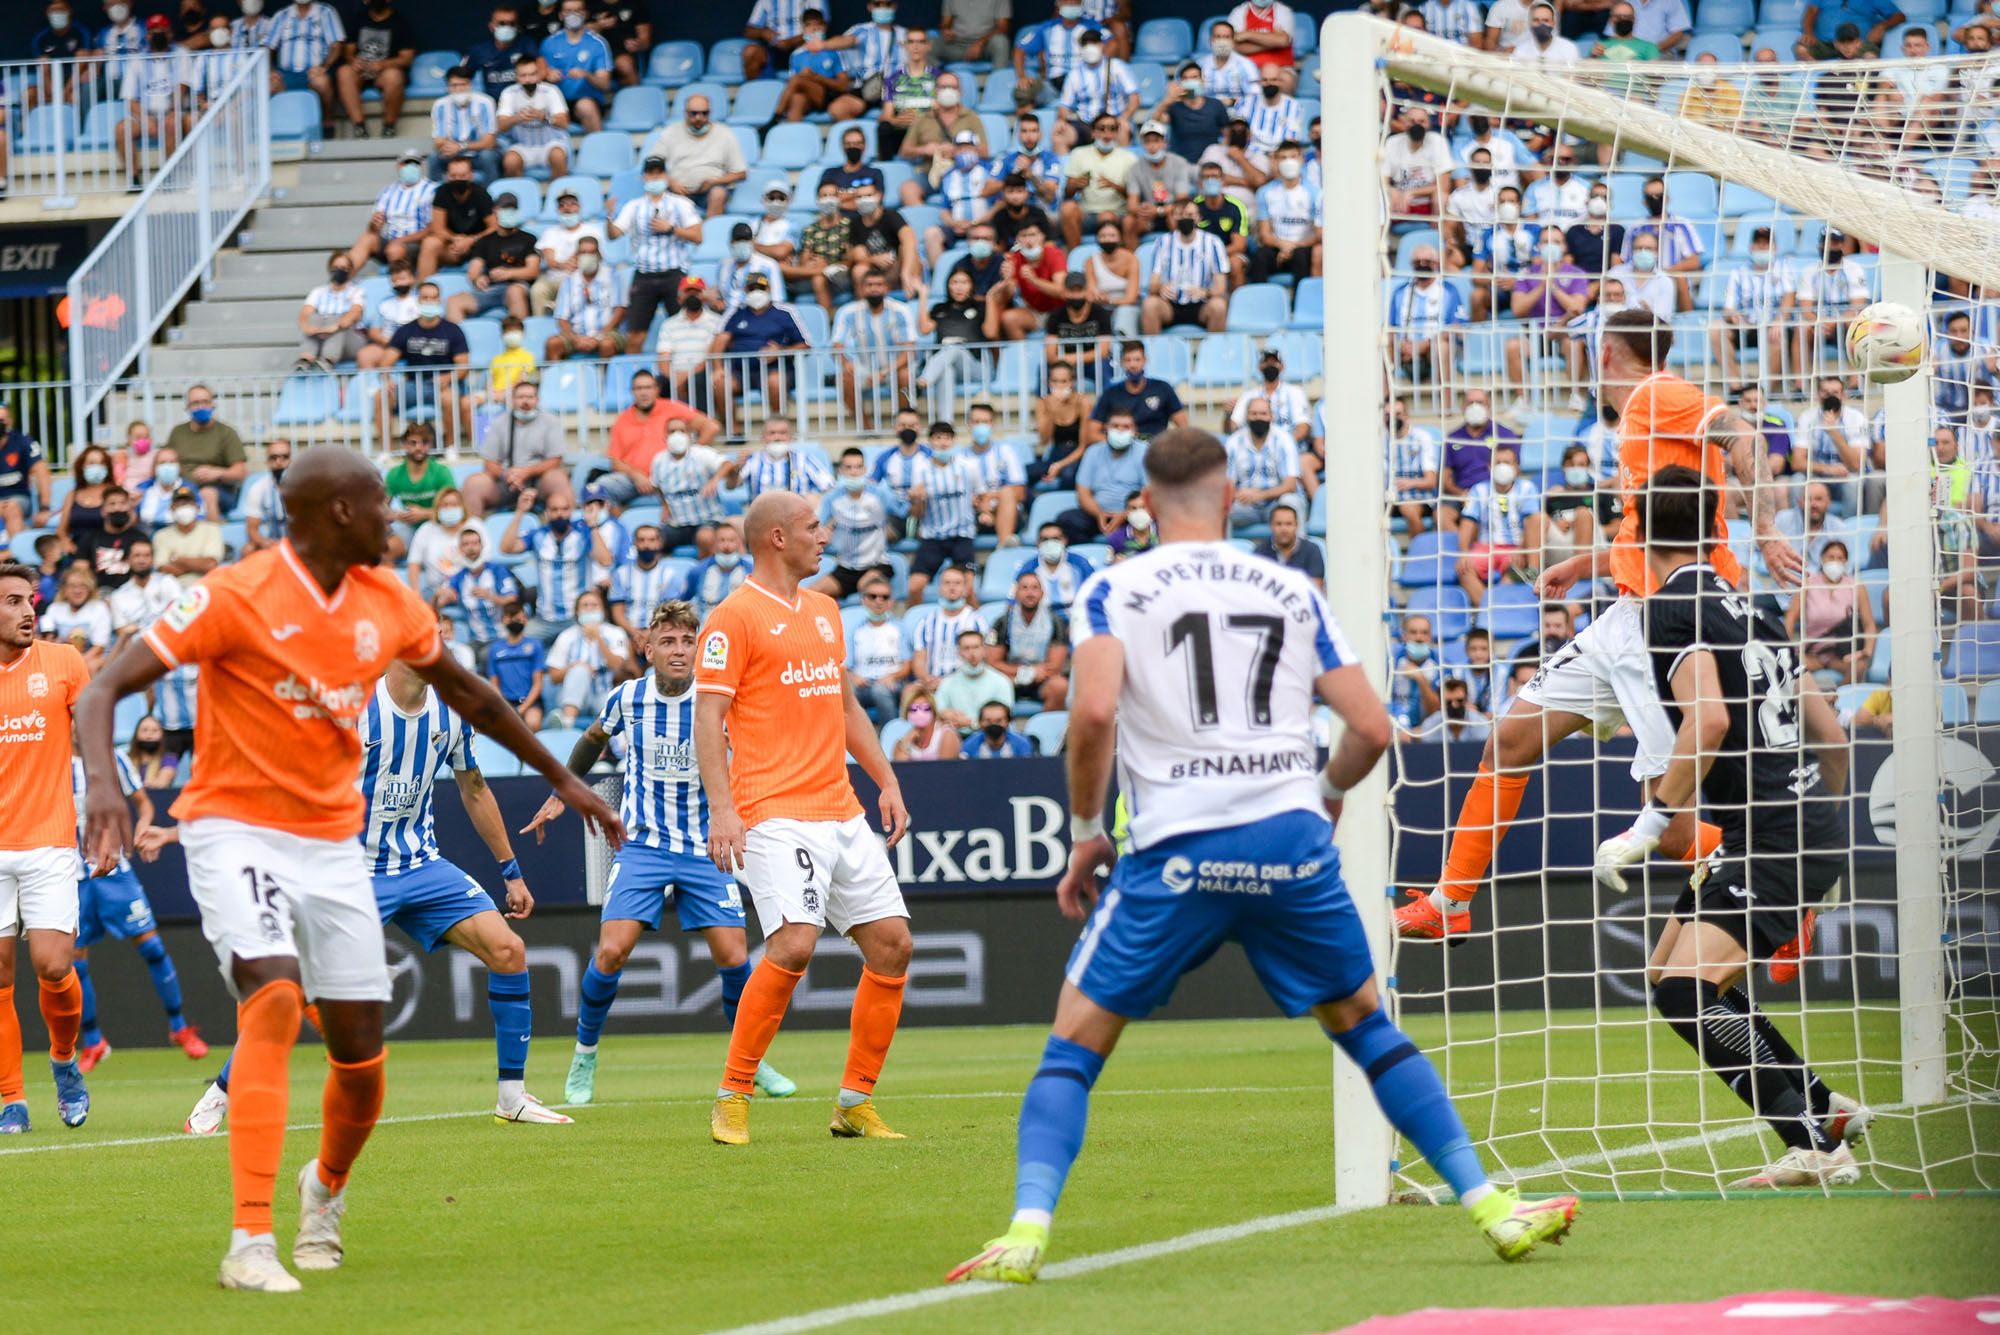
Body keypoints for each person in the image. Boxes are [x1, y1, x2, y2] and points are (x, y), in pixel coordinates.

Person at [945, 427, 1578, 1285]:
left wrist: (1089, 827)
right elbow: (1372, 728)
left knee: (1074, 1048)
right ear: (1233, 495)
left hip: (1177, 845)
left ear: (1145, 503)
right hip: (1289, 840)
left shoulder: (1112, 588)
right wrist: (1324, 796)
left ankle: (1026, 1231)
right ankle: (1491, 1205)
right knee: (1367, 1027)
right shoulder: (1291, 587)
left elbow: (1091, 713)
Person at [75, 446, 621, 1289]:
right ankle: (249, 1240)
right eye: (378, 504)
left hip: (334, 845)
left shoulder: (388, 600)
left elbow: (473, 696)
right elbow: (101, 689)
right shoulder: (233, 592)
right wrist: (106, 785)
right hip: (236, 831)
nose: (392, 518)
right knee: (273, 995)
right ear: (337, 511)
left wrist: (562, 776)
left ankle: (323, 1188)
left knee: (362, 1061)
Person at [1397, 310, 1801, 943]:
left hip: (1673, 622)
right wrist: (1585, 562)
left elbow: (1744, 436)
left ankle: (1783, 883)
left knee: (1673, 835)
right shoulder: (1635, 416)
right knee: (1509, 740)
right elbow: (1643, 532)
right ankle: (1451, 900)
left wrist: (1768, 527)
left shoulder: (1659, 394)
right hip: (1624, 616)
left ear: (1605, 352)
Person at [1596, 467, 1870, 1190]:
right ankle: (1824, 1108)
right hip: (1790, 826)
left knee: (1687, 994)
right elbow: (1833, 740)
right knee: (1665, 974)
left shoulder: (1669, 607)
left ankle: (1814, 1146)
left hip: (1773, 837)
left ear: (1636, 528)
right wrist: (1826, 834)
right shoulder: (1753, 604)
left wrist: (1650, 823)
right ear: (1712, 527)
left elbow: (1709, 721)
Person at [181, 657, 568, 1133]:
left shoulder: (452, 713)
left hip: (421, 865)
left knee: (509, 950)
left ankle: (512, 1098)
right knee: (291, 989)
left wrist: (511, 872)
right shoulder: (353, 708)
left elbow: (474, 789)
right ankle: (220, 1094)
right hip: (350, 873)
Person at [693, 489, 912, 1145]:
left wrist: (886, 778)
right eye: (815, 527)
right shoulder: (732, 617)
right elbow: (707, 717)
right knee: (793, 942)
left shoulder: (824, 610)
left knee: (893, 944)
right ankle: (733, 1095)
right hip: (772, 808)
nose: (826, 537)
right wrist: (722, 809)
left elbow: (845, 705)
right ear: (778, 537)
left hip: (839, 806)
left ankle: (854, 1102)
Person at [536, 601, 800, 1109]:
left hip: (705, 846)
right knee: (611, 952)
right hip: (643, 845)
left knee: (735, 958)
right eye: (668, 642)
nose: (679, 651)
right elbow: (592, 738)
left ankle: (752, 1060)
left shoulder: (717, 700)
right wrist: (560, 792)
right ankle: (584, 1056)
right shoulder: (628, 698)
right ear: (648, 649)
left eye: (687, 641)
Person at [0, 562, 93, 1135]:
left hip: (49, 838)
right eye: (12, 601)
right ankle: (11, 1097)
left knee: (54, 965)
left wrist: (106, 810)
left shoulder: (63, 662)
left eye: (29, 600)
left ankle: (63, 1060)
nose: (27, 610)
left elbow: (95, 735)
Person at [612, 155, 702, 340]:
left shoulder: (681, 204)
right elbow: (614, 234)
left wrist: (671, 229)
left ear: (666, 175)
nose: (655, 177)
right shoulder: (634, 206)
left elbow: (697, 236)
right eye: (650, 173)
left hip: (674, 272)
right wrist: (608, 217)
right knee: (635, 334)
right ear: (643, 177)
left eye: (659, 172)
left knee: (683, 330)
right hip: (644, 274)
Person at [711, 274, 809, 434]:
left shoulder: (785, 312)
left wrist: (780, 351)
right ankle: (733, 431)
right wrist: (717, 368)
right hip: (740, 371)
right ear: (745, 290)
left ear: (769, 289)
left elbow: (805, 345)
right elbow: (720, 340)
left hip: (775, 368)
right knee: (720, 383)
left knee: (775, 382)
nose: (756, 292)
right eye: (752, 288)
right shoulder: (735, 312)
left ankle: (777, 429)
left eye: (761, 288)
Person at [1455, 443, 1543, 607]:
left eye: (1507, 462)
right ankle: (1489, 610)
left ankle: (1492, 609)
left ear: (1516, 467)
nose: (1502, 467)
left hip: (1515, 548)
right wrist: (1464, 553)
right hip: (1485, 547)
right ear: (1489, 467)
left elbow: (1532, 523)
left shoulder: (1527, 488)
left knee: (1516, 569)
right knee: (1464, 569)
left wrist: (1522, 550)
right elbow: (1467, 522)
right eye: (1498, 462)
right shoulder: (1478, 490)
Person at [467, 380, 570, 517]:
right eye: (521, 397)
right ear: (512, 400)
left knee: (558, 478)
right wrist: (506, 474)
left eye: (530, 397)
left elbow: (555, 460)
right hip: (506, 482)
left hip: (539, 481)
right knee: (474, 483)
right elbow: (489, 462)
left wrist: (527, 472)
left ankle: (569, 527)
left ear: (537, 400)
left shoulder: (551, 422)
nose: (525, 401)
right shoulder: (499, 422)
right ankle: (472, 529)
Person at [1714, 226, 1797, 393]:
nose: (1762, 247)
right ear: (1751, 247)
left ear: (1775, 248)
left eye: (1766, 244)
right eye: (1758, 244)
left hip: (1772, 326)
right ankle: (1735, 387)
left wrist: (1779, 320)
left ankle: (1765, 391)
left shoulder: (1784, 268)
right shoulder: (1738, 273)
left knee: (1777, 335)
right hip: (1746, 327)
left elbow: (1790, 296)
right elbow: (1728, 308)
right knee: (1715, 328)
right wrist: (1733, 316)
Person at [502, 487, 592, 634]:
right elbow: (507, 548)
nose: (560, 514)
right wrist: (520, 512)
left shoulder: (583, 534)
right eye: (554, 509)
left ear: (571, 511)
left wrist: (593, 526)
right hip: (544, 620)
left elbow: (605, 560)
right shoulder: (537, 535)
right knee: (522, 642)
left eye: (564, 509)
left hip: (576, 618)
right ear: (546, 513)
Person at [1785, 539, 1877, 683]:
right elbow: (1790, 618)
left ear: (1846, 562)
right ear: (1822, 559)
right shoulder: (1808, 584)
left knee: (1860, 666)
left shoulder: (1856, 586)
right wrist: (1786, 646)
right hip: (1811, 653)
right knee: (1789, 663)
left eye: (1840, 558)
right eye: (1831, 557)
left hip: (1842, 654)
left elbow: (1869, 623)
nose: (1835, 562)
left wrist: (1867, 651)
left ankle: (1839, 696)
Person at [647, 91, 746, 219]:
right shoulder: (670, 132)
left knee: (718, 193)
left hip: (709, 193)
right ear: (685, 113)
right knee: (656, 190)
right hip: (676, 191)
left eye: (704, 113)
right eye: (694, 113)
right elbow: (652, 164)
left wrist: (713, 181)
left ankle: (710, 230)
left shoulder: (725, 134)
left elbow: (741, 173)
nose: (699, 117)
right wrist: (670, 182)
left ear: (710, 113)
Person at [545, 588, 635, 725]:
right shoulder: (566, 636)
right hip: (570, 696)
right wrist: (575, 667)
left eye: (594, 605)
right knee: (580, 670)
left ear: (603, 610)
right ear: (577, 611)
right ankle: (567, 722)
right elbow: (553, 676)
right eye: (585, 605)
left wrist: (598, 638)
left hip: (603, 693)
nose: (590, 609)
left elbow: (617, 665)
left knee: (614, 707)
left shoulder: (615, 633)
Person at [1058, 409, 1147, 544]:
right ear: (1106, 429)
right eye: (1115, 426)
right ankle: (1091, 553)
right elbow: (1083, 492)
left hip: (1132, 514)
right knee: (1067, 520)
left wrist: (1124, 515)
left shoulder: (1145, 452)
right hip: (1097, 514)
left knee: (1148, 519)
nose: (1120, 431)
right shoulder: (1093, 452)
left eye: (1126, 427)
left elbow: (1149, 492)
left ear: (1135, 431)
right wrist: (1099, 514)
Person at [1142, 202, 1228, 334]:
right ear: (1173, 218)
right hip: (1170, 305)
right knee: (1150, 304)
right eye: (1180, 214)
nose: (1185, 218)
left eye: (1190, 215)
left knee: (1219, 306)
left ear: (1199, 218)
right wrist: (1161, 288)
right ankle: (1152, 347)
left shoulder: (1213, 242)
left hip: (1201, 305)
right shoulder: (1162, 242)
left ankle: (1214, 347)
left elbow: (1220, 288)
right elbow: (1152, 285)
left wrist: (1205, 292)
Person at [335, 0, 415, 138]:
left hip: (385, 71)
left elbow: (407, 58)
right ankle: (359, 127)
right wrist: (353, 60)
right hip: (361, 70)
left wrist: (382, 64)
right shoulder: (359, 19)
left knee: (393, 77)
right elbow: (348, 51)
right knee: (344, 72)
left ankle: (389, 127)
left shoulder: (400, 22)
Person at [166, 384, 247, 517]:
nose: (201, 407)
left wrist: (217, 473)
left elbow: (240, 472)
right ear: (187, 407)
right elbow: (165, 459)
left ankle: (212, 530)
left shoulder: (226, 433)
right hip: (183, 488)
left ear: (213, 405)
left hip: (219, 492)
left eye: (205, 402)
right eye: (195, 403)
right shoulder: (177, 432)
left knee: (207, 494)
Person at [1060, 113, 1137, 249]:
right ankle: (1074, 256)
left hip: (1117, 214)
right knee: (1067, 209)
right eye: (1102, 128)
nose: (1107, 133)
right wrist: (1076, 185)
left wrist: (1115, 186)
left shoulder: (1129, 158)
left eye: (1112, 128)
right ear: (1093, 133)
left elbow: (1134, 197)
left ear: (1117, 132)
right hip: (1087, 214)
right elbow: (1068, 193)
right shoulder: (1079, 153)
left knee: (1107, 216)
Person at [416, 155, 496, 280]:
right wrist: (456, 239)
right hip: (452, 245)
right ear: (447, 176)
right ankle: (424, 288)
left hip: (478, 246)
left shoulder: (481, 194)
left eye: (463, 175)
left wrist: (471, 240)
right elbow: (438, 228)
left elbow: (494, 228)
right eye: (453, 176)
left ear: (471, 176)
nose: (458, 179)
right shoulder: (442, 192)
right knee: (430, 243)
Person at [907, 564, 985, 691]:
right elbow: (919, 659)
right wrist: (927, 679)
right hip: (932, 684)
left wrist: (950, 683)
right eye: (947, 583)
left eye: (957, 583)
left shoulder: (977, 621)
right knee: (909, 691)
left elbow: (983, 658)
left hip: (966, 684)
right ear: (939, 588)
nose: (952, 587)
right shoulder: (927, 621)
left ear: (965, 589)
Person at [1091, 341, 1187, 443]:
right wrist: (1118, 443)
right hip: (1122, 449)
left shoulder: (1163, 388)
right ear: (1122, 362)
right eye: (1128, 360)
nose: (1133, 365)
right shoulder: (1110, 392)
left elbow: (1184, 427)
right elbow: (1092, 433)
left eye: (1137, 360)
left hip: (1156, 447)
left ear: (1145, 360)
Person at [496, 51, 572, 180]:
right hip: (522, 145)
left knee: (558, 156)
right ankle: (519, 192)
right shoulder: (508, 93)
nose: (528, 79)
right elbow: (501, 126)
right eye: (523, 75)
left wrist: (544, 117)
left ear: (538, 74)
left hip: (550, 144)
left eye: (532, 74)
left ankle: (557, 191)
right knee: (510, 161)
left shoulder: (550, 91)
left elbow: (564, 122)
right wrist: (518, 117)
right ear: (517, 77)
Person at [264, 0, 343, 123]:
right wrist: (271, 71)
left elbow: (336, 46)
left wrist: (323, 67)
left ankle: (327, 123)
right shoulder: (281, 15)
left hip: (313, 72)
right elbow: (267, 48)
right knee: (269, 85)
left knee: (322, 83)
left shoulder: (326, 12)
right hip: (286, 74)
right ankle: (277, 127)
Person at [846, 576, 912, 724]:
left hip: (892, 684)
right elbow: (846, 667)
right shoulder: (855, 631)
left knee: (880, 691)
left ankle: (889, 734)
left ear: (891, 601)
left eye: (884, 597)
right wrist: (854, 678)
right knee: (846, 692)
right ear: (863, 600)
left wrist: (893, 676)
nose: (879, 601)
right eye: (873, 596)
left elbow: (907, 666)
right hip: (863, 685)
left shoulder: (899, 628)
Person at [539, 0, 613, 132]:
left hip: (588, 100)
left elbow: (605, 84)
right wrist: (548, 76)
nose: (573, 15)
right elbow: (538, 77)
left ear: (585, 13)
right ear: (561, 15)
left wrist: (587, 75)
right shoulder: (549, 42)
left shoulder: (598, 43)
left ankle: (598, 144)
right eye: (568, 11)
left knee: (585, 105)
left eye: (578, 10)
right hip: (557, 101)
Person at [295, 250, 369, 371]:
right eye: (336, 267)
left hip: (350, 341)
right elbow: (305, 314)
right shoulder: (318, 292)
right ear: (329, 269)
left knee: (338, 320)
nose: (339, 271)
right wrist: (308, 327)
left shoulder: (357, 292)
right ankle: (306, 359)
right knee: (314, 318)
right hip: (323, 337)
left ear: (350, 270)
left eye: (344, 268)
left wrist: (334, 327)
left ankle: (328, 360)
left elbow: (354, 314)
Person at [430, 66, 500, 182]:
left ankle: (491, 192)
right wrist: (450, 148)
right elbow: (438, 141)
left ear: (470, 85)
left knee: (488, 156)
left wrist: (461, 147)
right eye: (454, 85)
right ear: (448, 87)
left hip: (478, 154)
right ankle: (437, 192)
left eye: (463, 84)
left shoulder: (486, 102)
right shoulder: (440, 105)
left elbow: (490, 142)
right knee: (434, 157)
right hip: (452, 155)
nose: (458, 89)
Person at [936, 626, 1012, 732]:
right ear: (958, 652)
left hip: (990, 737)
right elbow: (939, 715)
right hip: (956, 737)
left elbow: (1003, 722)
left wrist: (970, 723)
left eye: (976, 647)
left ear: (984, 650)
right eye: (966, 648)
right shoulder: (946, 683)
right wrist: (946, 716)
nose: (972, 653)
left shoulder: (1002, 682)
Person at [40, 566, 114, 672]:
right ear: (64, 589)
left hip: (90, 659)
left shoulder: (98, 608)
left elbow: (99, 648)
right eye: (72, 586)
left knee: (91, 665)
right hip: (60, 658)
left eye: (82, 586)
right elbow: (48, 642)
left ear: (89, 589)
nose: (77, 590)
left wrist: (76, 665)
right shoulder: (54, 608)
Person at [487, 601, 548, 729]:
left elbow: (538, 683)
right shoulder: (494, 649)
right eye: (512, 617)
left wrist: (523, 708)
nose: (516, 621)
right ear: (503, 620)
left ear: (526, 620)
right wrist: (505, 706)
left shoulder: (535, 645)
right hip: (505, 703)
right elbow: (494, 684)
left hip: (530, 702)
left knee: (533, 723)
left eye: (519, 618)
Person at [0, 405, 53, 537]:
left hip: (19, 498)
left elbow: (42, 472)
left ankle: (15, 549)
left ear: (9, 421)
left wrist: (44, 508)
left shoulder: (23, 441)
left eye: (2, 420)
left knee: (11, 507)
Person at [683, 521, 752, 621]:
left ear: (739, 543)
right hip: (706, 626)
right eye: (721, 540)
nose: (726, 546)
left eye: (731, 540)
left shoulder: (751, 572)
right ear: (714, 543)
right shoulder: (698, 571)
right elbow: (683, 601)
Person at [152, 488, 225, 580]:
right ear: (171, 509)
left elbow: (210, 565)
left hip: (204, 585)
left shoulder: (212, 529)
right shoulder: (161, 535)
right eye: (179, 504)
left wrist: (177, 559)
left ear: (197, 508)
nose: (184, 507)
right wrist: (198, 565)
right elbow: (163, 568)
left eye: (188, 504)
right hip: (174, 586)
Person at [1036, 360, 1088, 486]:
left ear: (1072, 382)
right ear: (1049, 382)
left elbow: (1084, 445)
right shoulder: (1044, 402)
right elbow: (1044, 440)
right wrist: (1051, 411)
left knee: (1068, 475)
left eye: (1064, 381)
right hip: (1056, 452)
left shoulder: (1083, 402)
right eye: (1055, 381)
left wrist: (1060, 465)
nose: (1059, 385)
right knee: (1026, 472)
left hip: (1077, 455)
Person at [1253, 499, 1323, 589]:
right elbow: (1255, 588)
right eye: (1279, 524)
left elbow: (1315, 588)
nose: (1284, 529)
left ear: (1296, 525)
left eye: (1288, 524)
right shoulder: (1260, 551)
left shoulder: (1312, 550)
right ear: (1271, 525)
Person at [241, 442, 292, 554]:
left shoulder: (302, 487)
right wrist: (266, 543)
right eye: (274, 457)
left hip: (296, 543)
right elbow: (252, 529)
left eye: (284, 457)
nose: (279, 462)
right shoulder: (258, 488)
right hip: (270, 543)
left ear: (290, 460)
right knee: (248, 549)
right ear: (267, 462)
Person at [742, 0, 810, 83]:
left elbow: (820, 30)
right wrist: (763, 32)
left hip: (803, 46)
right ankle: (754, 89)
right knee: (751, 51)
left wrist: (791, 41)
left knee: (815, 51)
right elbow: (749, 31)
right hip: (773, 48)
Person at [892, 688, 962, 760]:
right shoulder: (904, 741)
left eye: (925, 708)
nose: (919, 713)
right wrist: (905, 743)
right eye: (914, 709)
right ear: (907, 713)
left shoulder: (947, 735)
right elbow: (900, 764)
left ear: (934, 711)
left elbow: (946, 766)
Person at [939, 0, 1012, 65]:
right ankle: (937, 75)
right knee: (933, 44)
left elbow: (1003, 28)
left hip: (986, 46)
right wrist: (945, 31)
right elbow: (945, 24)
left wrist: (980, 43)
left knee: (1001, 42)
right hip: (957, 44)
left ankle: (999, 75)